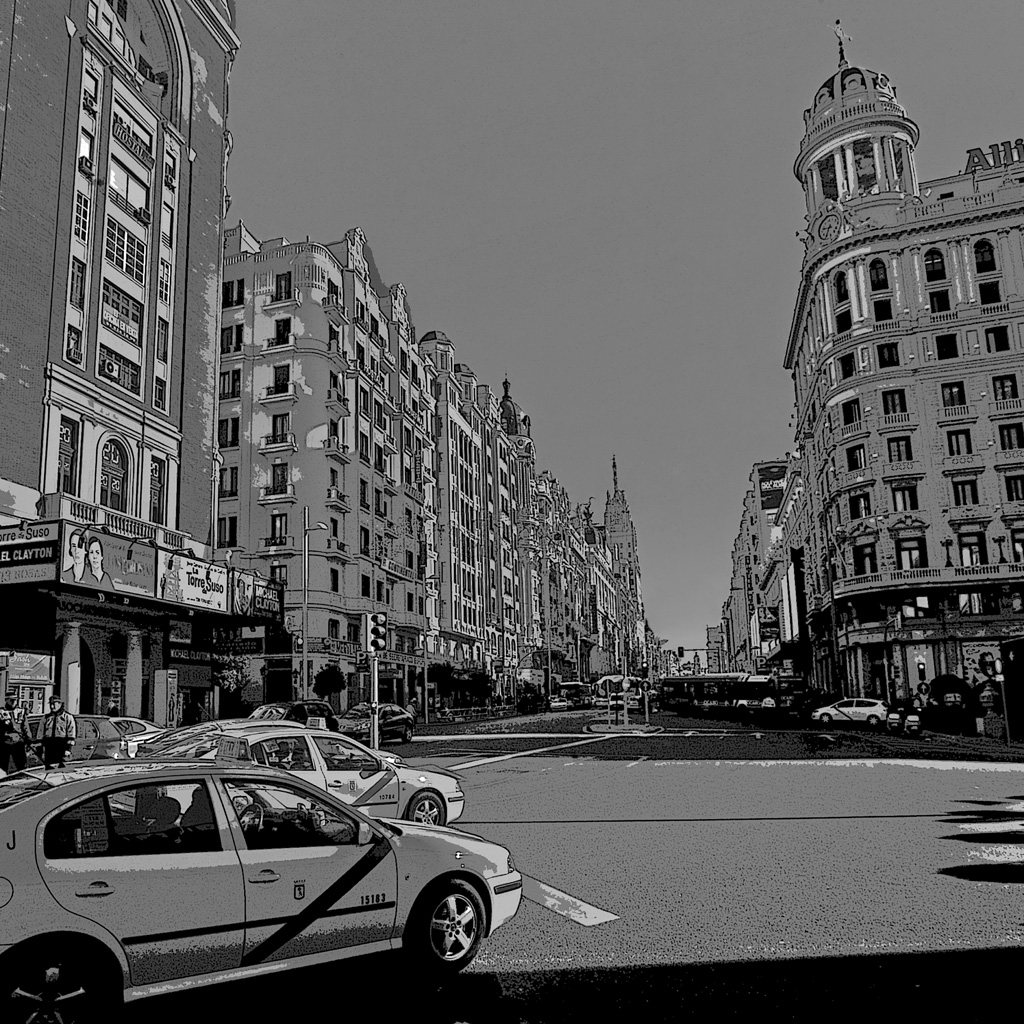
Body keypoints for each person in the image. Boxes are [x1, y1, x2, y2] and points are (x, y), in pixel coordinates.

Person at [38, 695, 76, 768]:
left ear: (60, 704)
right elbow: (40, 733)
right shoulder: (45, 718)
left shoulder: (68, 717)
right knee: (49, 768)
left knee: (61, 768)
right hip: (49, 746)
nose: (52, 707)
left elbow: (71, 734)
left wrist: (68, 749)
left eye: (54, 704)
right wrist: (40, 749)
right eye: (51, 704)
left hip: (61, 745)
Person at [1, 693, 32, 774]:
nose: (14, 702)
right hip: (5, 742)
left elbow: (25, 727)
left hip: (18, 742)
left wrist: (29, 740)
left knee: (21, 765)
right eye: (11, 700)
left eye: (15, 700)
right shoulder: (1, 712)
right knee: (2, 765)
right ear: (6, 700)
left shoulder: (20, 712)